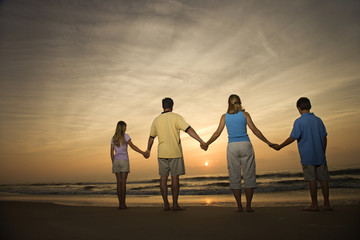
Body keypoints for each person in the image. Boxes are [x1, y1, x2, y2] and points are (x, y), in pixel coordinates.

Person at [203, 94, 273, 212]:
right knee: (249, 176)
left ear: (228, 103)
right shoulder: (245, 115)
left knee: (234, 177)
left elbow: (217, 133)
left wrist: (207, 143)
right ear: (240, 102)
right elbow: (255, 130)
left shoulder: (224, 117)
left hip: (232, 146)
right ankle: (248, 206)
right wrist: (268, 142)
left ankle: (239, 206)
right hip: (245, 144)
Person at [271, 97, 332, 211]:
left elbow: (293, 137)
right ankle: (327, 203)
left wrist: (280, 146)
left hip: (308, 156)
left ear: (298, 108)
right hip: (320, 155)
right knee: (323, 179)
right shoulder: (318, 120)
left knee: (312, 180)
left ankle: (314, 204)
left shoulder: (299, 121)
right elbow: (324, 137)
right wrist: (323, 150)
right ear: (310, 106)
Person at [146, 97, 206, 211]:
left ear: (162, 106)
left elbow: (151, 137)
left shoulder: (156, 120)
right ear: (172, 106)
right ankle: (175, 204)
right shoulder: (176, 117)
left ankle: (165, 204)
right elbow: (189, 130)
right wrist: (201, 141)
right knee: (175, 179)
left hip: (162, 153)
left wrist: (148, 150)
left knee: (163, 179)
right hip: (175, 153)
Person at [110, 121, 148, 209]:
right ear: (123, 128)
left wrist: (113, 162)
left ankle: (120, 204)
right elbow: (133, 146)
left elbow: (111, 152)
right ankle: (123, 204)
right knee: (123, 183)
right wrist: (143, 153)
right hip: (124, 161)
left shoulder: (113, 138)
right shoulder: (126, 136)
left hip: (116, 161)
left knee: (118, 183)